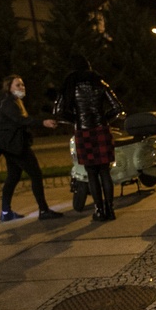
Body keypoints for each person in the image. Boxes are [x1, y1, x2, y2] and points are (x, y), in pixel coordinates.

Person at [53, 55, 125, 221]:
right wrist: (104, 118)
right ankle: (110, 209)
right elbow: (117, 106)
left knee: (92, 173)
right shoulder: (99, 82)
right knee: (105, 171)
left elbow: (59, 111)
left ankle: (99, 210)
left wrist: (76, 120)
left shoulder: (70, 84)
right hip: (101, 129)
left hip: (83, 132)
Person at [0, 75, 64, 222]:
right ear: (9, 87)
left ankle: (6, 212)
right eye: (17, 85)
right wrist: (43, 122)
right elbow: (21, 121)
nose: (21, 87)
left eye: (22, 85)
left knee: (13, 176)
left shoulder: (15, 102)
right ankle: (43, 210)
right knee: (35, 174)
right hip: (13, 145)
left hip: (10, 145)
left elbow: (22, 121)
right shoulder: (8, 103)